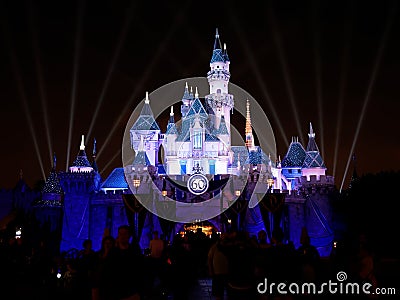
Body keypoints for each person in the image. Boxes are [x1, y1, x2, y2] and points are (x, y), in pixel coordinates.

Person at [100, 225, 144, 300]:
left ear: (129, 236)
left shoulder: (134, 252)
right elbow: (107, 273)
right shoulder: (113, 253)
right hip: (115, 293)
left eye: (125, 234)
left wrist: (139, 292)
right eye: (120, 234)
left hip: (131, 293)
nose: (122, 236)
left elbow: (140, 272)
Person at [208, 233, 229, 300]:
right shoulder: (215, 246)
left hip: (226, 271)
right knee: (218, 292)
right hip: (218, 272)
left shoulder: (229, 246)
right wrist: (211, 270)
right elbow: (210, 258)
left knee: (223, 291)